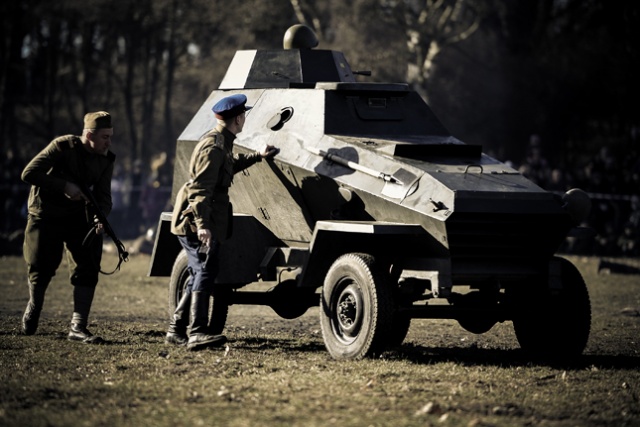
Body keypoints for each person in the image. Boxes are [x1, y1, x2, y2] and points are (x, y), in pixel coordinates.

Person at [166, 94, 278, 351]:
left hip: (207, 220)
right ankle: (196, 333)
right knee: (204, 273)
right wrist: (202, 224)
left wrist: (257, 156)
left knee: (200, 273)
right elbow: (199, 190)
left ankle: (175, 330)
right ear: (238, 118)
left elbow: (227, 166)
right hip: (197, 222)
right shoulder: (214, 147)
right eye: (244, 115)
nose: (244, 119)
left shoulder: (222, 143)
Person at [20, 111, 116, 343]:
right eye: (104, 137)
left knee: (88, 264)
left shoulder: (106, 159)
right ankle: (35, 305)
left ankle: (78, 327)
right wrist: (63, 186)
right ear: (89, 135)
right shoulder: (62, 147)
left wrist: (100, 217)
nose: (109, 142)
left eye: (110, 136)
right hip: (46, 213)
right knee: (41, 265)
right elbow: (29, 173)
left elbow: (103, 195)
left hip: (78, 216)